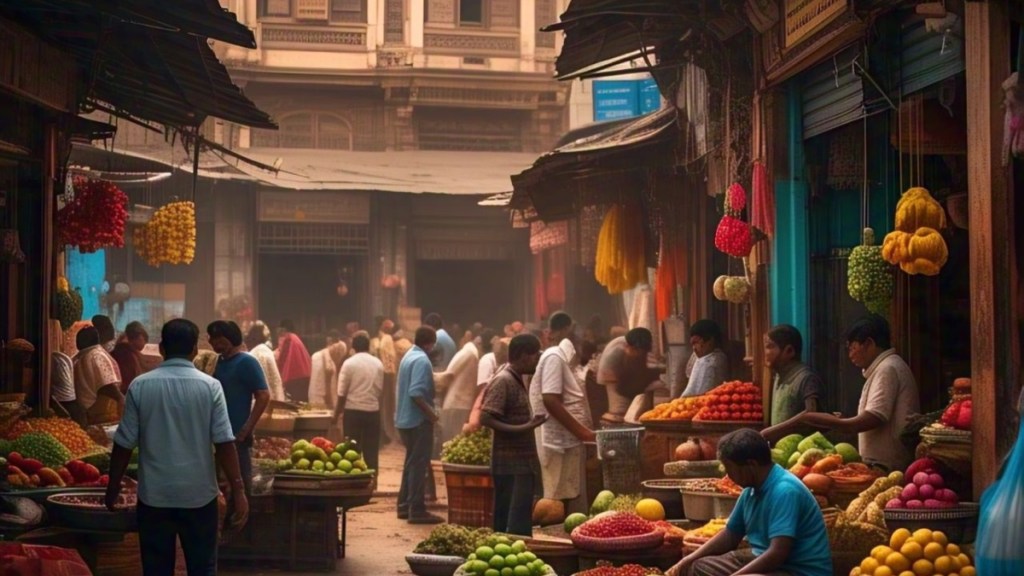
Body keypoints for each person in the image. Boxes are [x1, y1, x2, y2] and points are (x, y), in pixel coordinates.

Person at [105, 318, 248, 576]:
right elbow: (225, 443)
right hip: (200, 498)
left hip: (154, 499)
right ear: (195, 350)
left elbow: (124, 444)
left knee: (156, 569)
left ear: (161, 348)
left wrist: (113, 486)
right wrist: (238, 490)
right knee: (202, 568)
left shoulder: (140, 386)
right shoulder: (211, 386)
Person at [667, 429, 832, 576]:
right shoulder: (750, 490)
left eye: (730, 469)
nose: (728, 476)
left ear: (751, 465)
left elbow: (777, 553)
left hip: (797, 570)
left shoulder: (785, 491)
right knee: (698, 566)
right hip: (767, 563)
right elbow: (730, 535)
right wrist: (688, 559)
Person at [792, 314, 920, 471]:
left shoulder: (887, 368)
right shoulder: (885, 367)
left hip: (888, 466)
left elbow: (874, 418)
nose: (850, 354)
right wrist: (842, 421)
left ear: (869, 344)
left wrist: (835, 423)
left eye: (852, 347)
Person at [480, 333, 547, 536]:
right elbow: (486, 418)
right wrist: (525, 427)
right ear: (522, 355)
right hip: (509, 465)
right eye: (535, 355)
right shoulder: (504, 380)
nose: (537, 359)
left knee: (518, 521)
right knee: (511, 524)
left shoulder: (516, 379)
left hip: (520, 464)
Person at [529, 311, 595, 515]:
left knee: (565, 495)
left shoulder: (562, 359)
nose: (584, 338)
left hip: (566, 441)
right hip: (558, 443)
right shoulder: (554, 357)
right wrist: (582, 432)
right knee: (557, 501)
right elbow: (550, 398)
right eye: (578, 332)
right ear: (567, 331)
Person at [209, 321, 270, 495]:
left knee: (240, 485)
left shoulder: (246, 362)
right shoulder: (216, 362)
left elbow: (263, 395)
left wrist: (247, 428)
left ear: (230, 339)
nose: (213, 343)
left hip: (237, 437)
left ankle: (243, 519)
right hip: (216, 435)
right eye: (211, 338)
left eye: (218, 338)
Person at [395, 326, 443, 524]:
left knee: (411, 463)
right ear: (430, 343)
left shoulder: (409, 355)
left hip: (404, 420)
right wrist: (432, 415)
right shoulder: (423, 360)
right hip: (418, 421)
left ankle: (404, 506)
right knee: (418, 464)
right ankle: (417, 509)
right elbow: (416, 393)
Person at [760, 325, 824, 443]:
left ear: (789, 351)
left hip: (802, 453)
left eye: (770, 346)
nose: (766, 352)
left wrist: (770, 432)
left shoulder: (806, 378)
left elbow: (812, 414)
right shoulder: (778, 376)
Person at [333, 333, 384, 472]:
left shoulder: (349, 364)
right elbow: (380, 390)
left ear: (353, 347)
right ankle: (373, 482)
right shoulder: (378, 364)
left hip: (353, 413)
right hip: (373, 412)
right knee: (372, 450)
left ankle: (353, 482)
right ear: (368, 346)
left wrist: (336, 414)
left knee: (351, 451)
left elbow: (341, 393)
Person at [596, 327, 665, 423]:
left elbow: (646, 368)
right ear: (629, 347)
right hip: (610, 379)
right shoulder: (616, 352)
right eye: (637, 351)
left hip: (627, 377)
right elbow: (620, 387)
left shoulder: (642, 349)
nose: (640, 353)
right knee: (620, 411)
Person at [73, 326, 125, 425]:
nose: (77, 342)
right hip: (93, 413)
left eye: (80, 338)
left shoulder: (95, 355)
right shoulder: (91, 354)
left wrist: (119, 397)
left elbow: (105, 384)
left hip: (99, 414)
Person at [435, 341, 480, 449]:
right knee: (454, 442)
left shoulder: (468, 353)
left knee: (451, 442)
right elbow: (447, 376)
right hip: (459, 404)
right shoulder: (471, 354)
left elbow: (446, 377)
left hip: (456, 404)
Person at [681, 319, 729, 397]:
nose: (694, 348)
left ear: (710, 341)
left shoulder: (714, 360)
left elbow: (703, 393)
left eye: (697, 343)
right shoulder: (698, 357)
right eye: (692, 344)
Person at [245, 324, 285, 402]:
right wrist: (280, 399)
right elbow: (275, 379)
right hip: (270, 398)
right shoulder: (266, 351)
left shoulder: (251, 353)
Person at [275, 320, 312, 403]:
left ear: (284, 329)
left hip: (294, 377)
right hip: (304, 375)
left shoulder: (288, 338)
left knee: (294, 405)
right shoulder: (295, 338)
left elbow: (283, 359)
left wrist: (278, 373)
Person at [309, 330, 343, 408]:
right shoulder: (330, 363)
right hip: (324, 403)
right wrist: (332, 405)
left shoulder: (314, 356)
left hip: (313, 401)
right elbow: (328, 387)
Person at [111, 321, 148, 393]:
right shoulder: (126, 355)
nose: (144, 344)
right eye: (144, 340)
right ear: (140, 337)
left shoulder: (123, 350)